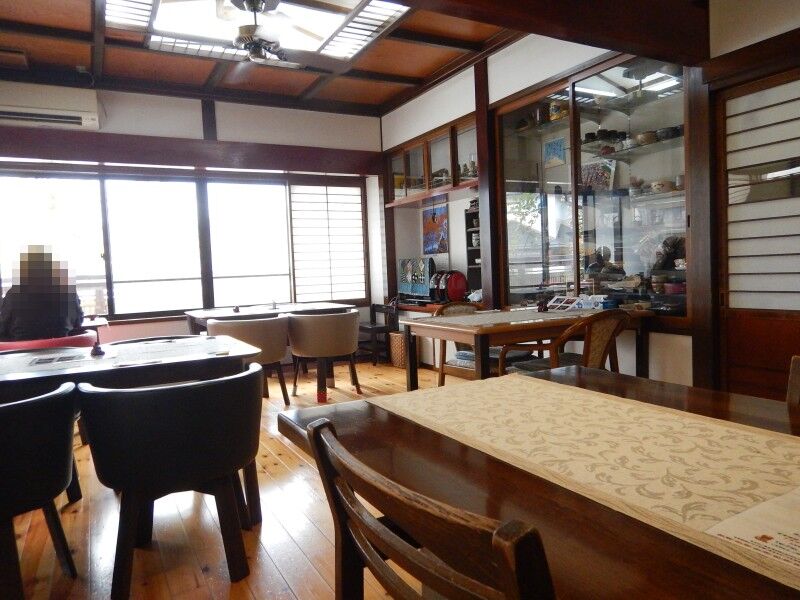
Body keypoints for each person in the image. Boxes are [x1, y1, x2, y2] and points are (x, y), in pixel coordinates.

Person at [0, 246, 84, 341]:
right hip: (65, 348)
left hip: (21, 349)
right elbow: (78, 322)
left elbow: (2, 328)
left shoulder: (13, 294)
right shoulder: (68, 291)